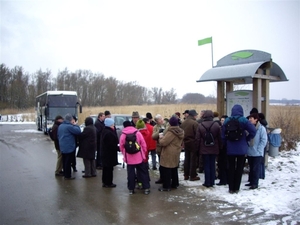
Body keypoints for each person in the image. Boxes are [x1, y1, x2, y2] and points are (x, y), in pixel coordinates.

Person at [221, 104, 257, 193]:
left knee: (231, 167)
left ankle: (231, 188)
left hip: (230, 148)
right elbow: (253, 131)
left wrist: (226, 143)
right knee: (239, 168)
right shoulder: (244, 120)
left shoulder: (227, 121)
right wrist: (247, 139)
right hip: (241, 148)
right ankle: (237, 188)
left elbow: (222, 136)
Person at [119, 121, 150, 195]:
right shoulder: (137, 133)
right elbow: (143, 144)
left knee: (131, 174)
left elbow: (121, 146)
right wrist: (143, 152)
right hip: (139, 156)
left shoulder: (123, 135)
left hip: (129, 158)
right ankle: (146, 188)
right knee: (143, 172)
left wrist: (124, 153)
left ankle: (131, 189)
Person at [196, 110, 221, 188]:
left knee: (206, 165)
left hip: (204, 148)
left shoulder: (200, 125)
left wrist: (197, 148)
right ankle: (212, 181)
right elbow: (220, 138)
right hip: (214, 147)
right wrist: (220, 147)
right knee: (212, 164)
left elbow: (197, 138)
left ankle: (207, 182)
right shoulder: (216, 125)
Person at [158, 116, 184, 191]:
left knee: (166, 169)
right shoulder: (180, 131)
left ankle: (166, 186)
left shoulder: (171, 132)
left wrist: (161, 137)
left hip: (168, 152)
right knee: (174, 168)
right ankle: (175, 183)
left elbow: (163, 142)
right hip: (176, 151)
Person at [246, 113, 268, 189]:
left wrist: (259, 149)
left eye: (251, 119)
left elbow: (264, 140)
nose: (249, 120)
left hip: (257, 152)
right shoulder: (248, 128)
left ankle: (255, 183)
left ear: (256, 119)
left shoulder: (261, 128)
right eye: (249, 119)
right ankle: (251, 182)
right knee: (251, 167)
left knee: (256, 168)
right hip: (250, 151)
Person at [57, 113, 81, 180]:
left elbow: (58, 135)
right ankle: (68, 175)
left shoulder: (61, 126)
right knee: (68, 161)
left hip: (62, 146)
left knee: (64, 161)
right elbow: (78, 131)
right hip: (69, 146)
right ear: (70, 120)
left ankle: (65, 173)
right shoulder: (69, 127)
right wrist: (75, 124)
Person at [180, 109, 200, 181]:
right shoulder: (195, 123)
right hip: (193, 142)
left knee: (187, 159)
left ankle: (186, 175)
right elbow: (197, 134)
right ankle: (192, 175)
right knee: (193, 159)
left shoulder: (183, 122)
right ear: (194, 115)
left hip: (185, 142)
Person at [100, 118, 119, 188]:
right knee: (109, 169)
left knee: (105, 168)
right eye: (113, 124)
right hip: (109, 154)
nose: (114, 125)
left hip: (105, 153)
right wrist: (118, 148)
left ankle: (105, 182)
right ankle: (108, 182)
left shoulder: (105, 131)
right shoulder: (109, 133)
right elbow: (111, 145)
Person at [152, 114, 168, 184]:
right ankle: (162, 178)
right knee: (161, 164)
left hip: (167, 147)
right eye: (159, 120)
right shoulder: (155, 127)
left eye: (161, 119)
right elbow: (153, 137)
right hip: (160, 147)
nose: (161, 121)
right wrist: (159, 131)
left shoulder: (167, 125)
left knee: (167, 164)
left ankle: (167, 178)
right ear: (156, 121)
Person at [216, 115, 228, 185]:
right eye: (221, 120)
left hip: (224, 148)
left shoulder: (224, 128)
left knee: (223, 164)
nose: (222, 122)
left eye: (223, 120)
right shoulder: (220, 128)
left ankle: (223, 180)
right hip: (223, 148)